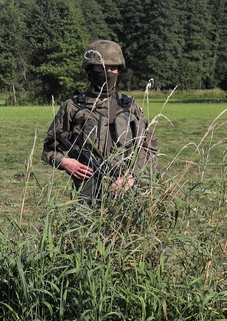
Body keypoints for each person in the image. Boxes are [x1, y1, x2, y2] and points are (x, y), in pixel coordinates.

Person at [42, 40, 158, 204]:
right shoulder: (73, 106)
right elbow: (49, 146)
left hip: (129, 191)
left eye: (113, 68)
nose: (108, 72)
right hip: (87, 191)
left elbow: (148, 148)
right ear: (90, 70)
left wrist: (131, 176)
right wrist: (64, 162)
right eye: (101, 67)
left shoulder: (129, 106)